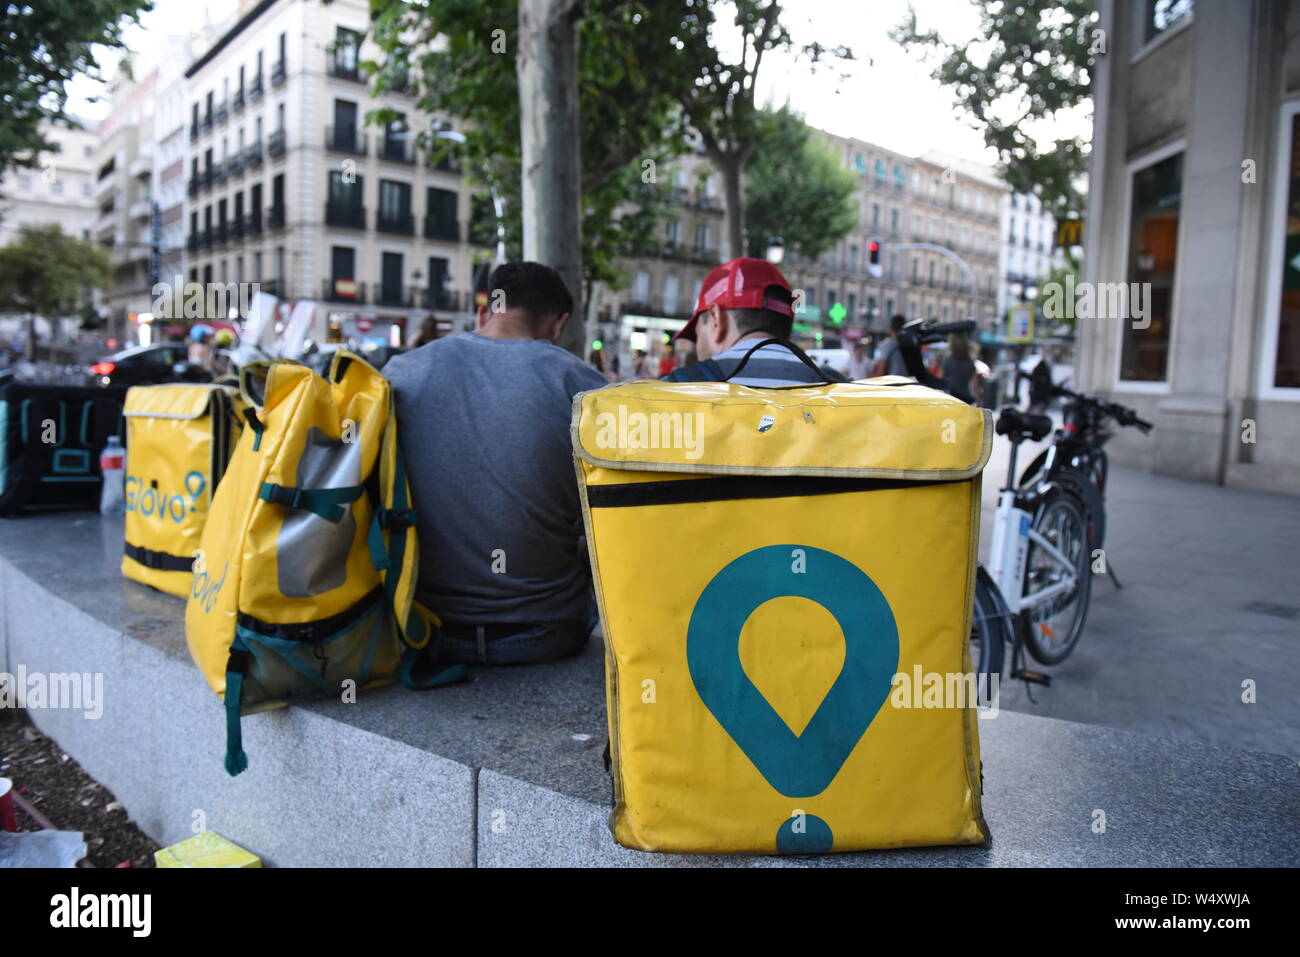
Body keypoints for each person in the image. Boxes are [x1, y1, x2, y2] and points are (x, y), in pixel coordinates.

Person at [383, 262, 608, 665]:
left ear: (484, 310)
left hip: (421, 629)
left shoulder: (402, 372)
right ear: (559, 324)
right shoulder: (584, 387)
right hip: (544, 632)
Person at [664, 257, 846, 386]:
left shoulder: (673, 389)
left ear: (716, 319)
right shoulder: (841, 389)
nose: (697, 346)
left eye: (696, 334)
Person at [940, 333, 980, 405]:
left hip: (951, 397)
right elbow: (975, 385)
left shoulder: (948, 360)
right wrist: (978, 401)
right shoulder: (970, 362)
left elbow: (940, 379)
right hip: (966, 399)